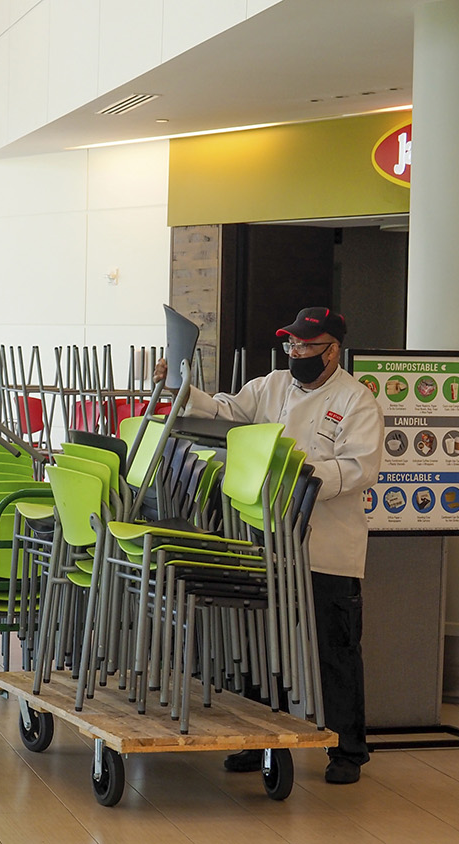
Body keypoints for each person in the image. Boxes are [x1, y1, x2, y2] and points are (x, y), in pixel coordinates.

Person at [155, 307, 383, 785]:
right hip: (265, 538)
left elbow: (360, 468)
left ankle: (348, 750)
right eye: (292, 346)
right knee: (262, 641)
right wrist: (183, 391)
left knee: (333, 648)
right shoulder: (272, 385)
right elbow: (226, 409)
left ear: (333, 348)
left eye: (306, 346)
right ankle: (259, 738)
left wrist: (299, 476)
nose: (297, 353)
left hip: (327, 547)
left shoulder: (357, 400)